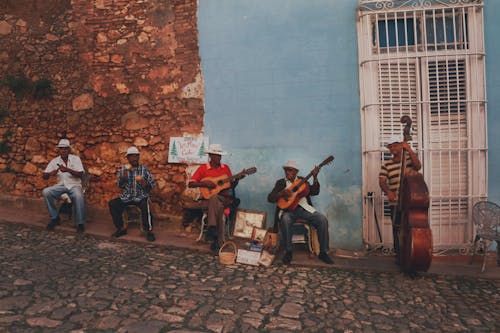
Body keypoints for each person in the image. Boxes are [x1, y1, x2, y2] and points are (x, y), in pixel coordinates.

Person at [267, 160, 334, 265]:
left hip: (304, 209)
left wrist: (315, 177)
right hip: (288, 211)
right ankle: (288, 251)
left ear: (296, 172)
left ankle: (323, 252)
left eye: (290, 170)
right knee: (285, 219)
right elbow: (270, 198)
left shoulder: (303, 181)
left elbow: (315, 192)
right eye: (286, 170)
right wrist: (281, 193)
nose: (287, 172)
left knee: (322, 219)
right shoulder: (280, 183)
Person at [379, 135, 422, 264]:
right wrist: (388, 191)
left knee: (412, 229)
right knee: (397, 229)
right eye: (390, 147)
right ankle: (399, 256)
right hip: (395, 202)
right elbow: (382, 181)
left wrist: (409, 149)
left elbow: (418, 166)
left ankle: (414, 253)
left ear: (400, 145)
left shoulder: (409, 160)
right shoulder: (386, 164)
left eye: (395, 145)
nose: (392, 148)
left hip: (411, 202)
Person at [188, 143, 236, 251]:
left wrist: (236, 180)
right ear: (210, 156)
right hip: (207, 200)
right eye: (215, 155)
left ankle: (212, 230)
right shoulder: (203, 168)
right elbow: (191, 184)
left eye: (219, 155)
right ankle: (217, 240)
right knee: (215, 203)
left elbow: (230, 184)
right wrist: (205, 184)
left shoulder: (226, 168)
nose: (218, 157)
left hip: (223, 198)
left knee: (214, 198)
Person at [109, 146, 156, 242]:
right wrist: (123, 178)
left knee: (145, 204)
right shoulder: (124, 170)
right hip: (127, 196)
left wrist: (145, 183)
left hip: (140, 196)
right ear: (128, 158)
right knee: (112, 203)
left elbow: (151, 185)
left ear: (138, 157)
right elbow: (119, 185)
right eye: (131, 156)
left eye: (136, 156)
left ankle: (149, 231)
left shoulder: (144, 170)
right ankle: (121, 228)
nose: (134, 158)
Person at [42, 139, 86, 232]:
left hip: (74, 185)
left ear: (69, 149)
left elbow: (81, 174)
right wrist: (50, 173)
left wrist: (67, 170)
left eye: (66, 148)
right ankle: (55, 218)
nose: (64, 150)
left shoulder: (75, 159)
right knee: (46, 192)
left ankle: (80, 223)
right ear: (59, 150)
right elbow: (44, 176)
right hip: (61, 186)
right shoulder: (55, 161)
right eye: (61, 148)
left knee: (78, 196)